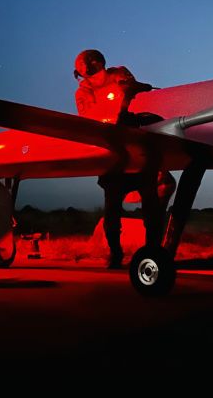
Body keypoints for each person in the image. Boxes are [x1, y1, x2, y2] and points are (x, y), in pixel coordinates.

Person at [73, 49, 174, 268]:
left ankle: (152, 252)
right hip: (113, 156)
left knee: (151, 205)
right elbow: (88, 118)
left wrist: (134, 90)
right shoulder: (83, 93)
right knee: (112, 210)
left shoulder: (119, 73)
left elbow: (138, 94)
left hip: (137, 149)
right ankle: (116, 254)